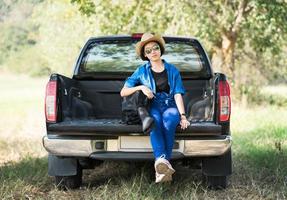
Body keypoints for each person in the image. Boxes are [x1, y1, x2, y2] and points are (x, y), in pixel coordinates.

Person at [120, 33, 190, 183]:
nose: (153, 52)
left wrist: (183, 116)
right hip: (153, 105)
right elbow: (123, 91)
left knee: (170, 121)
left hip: (170, 104)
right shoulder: (141, 71)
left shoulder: (172, 70)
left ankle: (161, 165)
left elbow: (178, 94)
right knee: (155, 123)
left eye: (155, 48)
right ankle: (163, 163)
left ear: (160, 49)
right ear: (145, 55)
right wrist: (141, 87)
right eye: (148, 50)